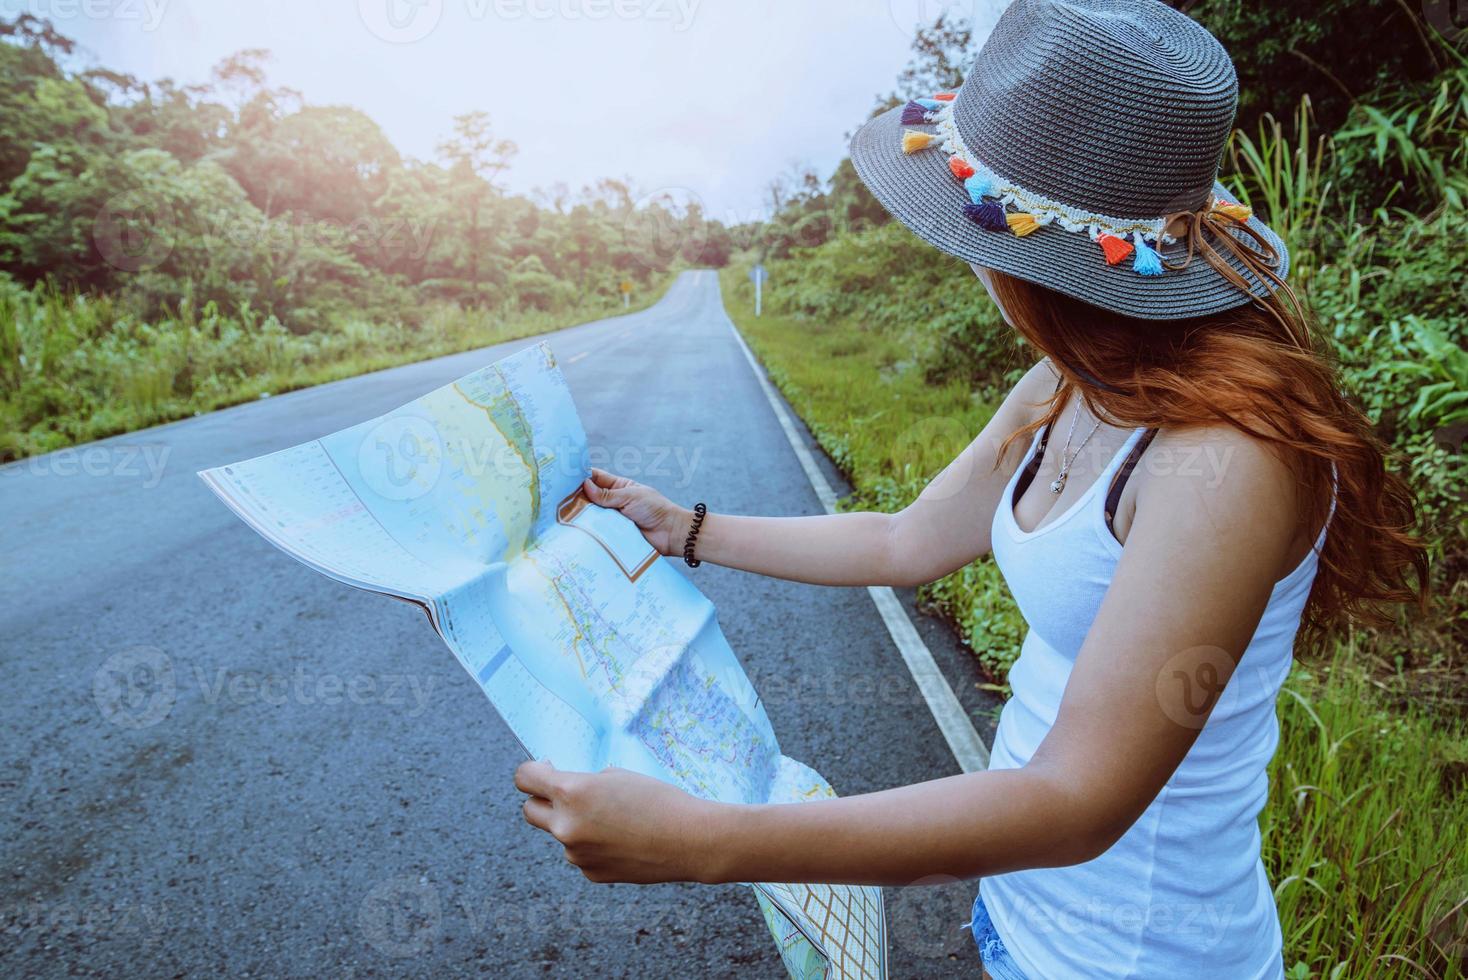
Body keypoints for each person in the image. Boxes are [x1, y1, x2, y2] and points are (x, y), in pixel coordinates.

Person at [513, 1, 1428, 976]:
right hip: (1022, 919)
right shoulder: (1071, 378)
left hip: (1140, 955)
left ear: (1033, 253)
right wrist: (683, 526)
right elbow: (907, 540)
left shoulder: (1228, 457)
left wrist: (713, 840)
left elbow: (1077, 797)